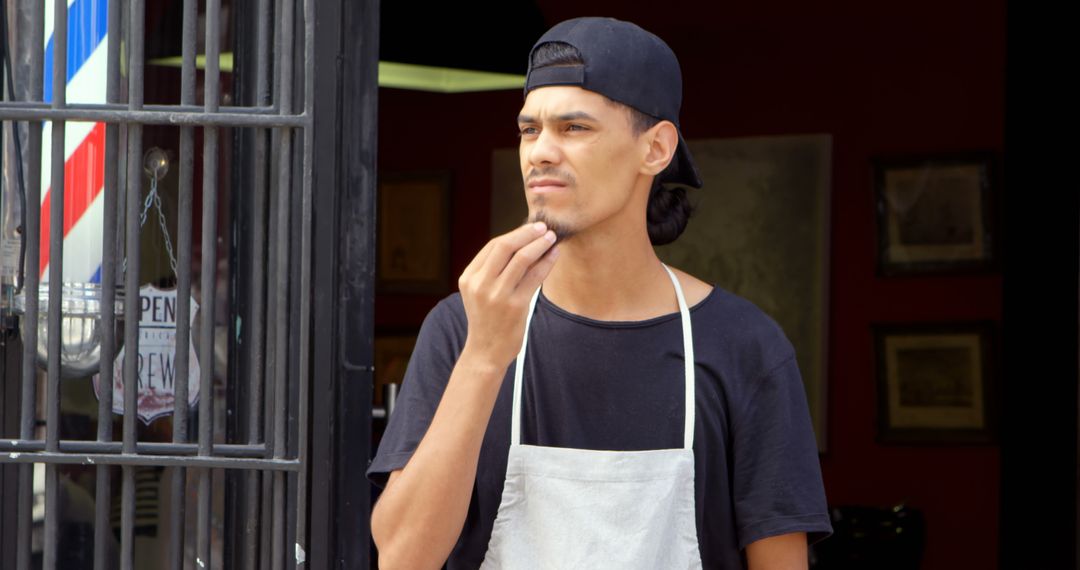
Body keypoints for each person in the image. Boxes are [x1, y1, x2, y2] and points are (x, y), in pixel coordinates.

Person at [367, 16, 833, 570]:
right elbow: (401, 559)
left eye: (574, 128)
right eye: (529, 129)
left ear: (656, 149)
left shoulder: (744, 345)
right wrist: (485, 355)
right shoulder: (464, 324)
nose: (540, 152)